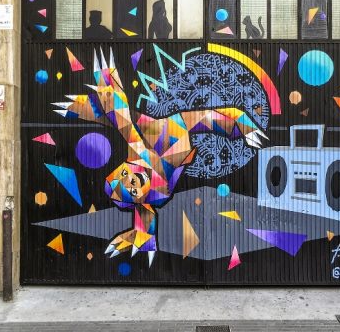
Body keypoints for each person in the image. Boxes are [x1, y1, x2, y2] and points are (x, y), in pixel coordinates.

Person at [53, 47, 267, 266]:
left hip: (160, 134)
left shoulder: (139, 153)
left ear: (124, 168)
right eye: (133, 191)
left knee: (130, 122)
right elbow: (145, 217)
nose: (132, 182)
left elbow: (123, 119)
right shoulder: (151, 195)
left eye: (125, 176)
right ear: (138, 198)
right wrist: (140, 237)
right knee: (130, 121)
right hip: (168, 144)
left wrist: (105, 83)